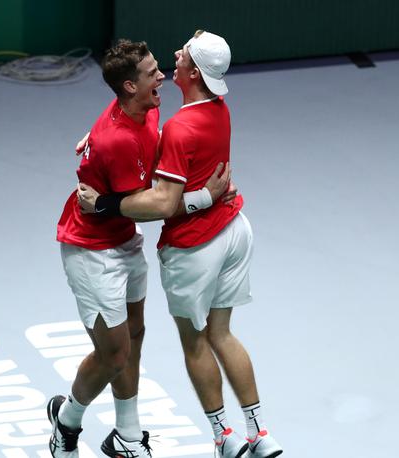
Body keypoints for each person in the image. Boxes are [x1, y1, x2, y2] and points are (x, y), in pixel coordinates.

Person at [78, 31, 284, 458]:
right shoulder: (219, 109)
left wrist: (105, 203)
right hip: (235, 230)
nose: (173, 57)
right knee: (223, 333)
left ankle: (224, 438)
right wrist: (99, 144)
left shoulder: (177, 127)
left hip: (195, 246)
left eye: (182, 55)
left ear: (192, 71)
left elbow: (165, 203)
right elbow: (131, 120)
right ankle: (260, 434)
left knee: (195, 342)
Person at [49, 39, 231, 458]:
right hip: (91, 251)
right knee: (113, 354)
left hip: (123, 240)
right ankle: (67, 421)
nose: (162, 76)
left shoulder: (145, 110)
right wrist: (206, 197)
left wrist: (94, 138)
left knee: (134, 334)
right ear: (129, 86)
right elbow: (156, 205)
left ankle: (127, 437)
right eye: (152, 74)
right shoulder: (118, 139)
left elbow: (150, 152)